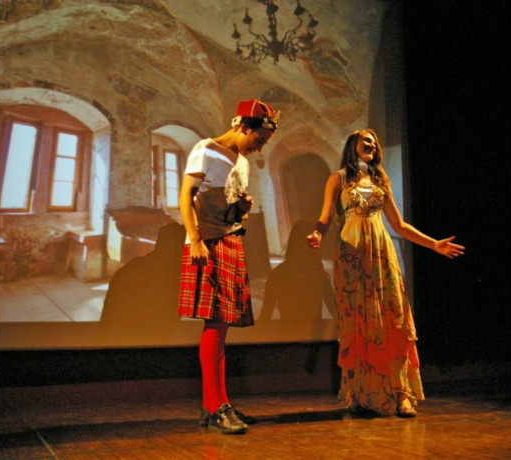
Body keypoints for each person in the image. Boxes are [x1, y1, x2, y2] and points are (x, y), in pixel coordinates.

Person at [306, 128, 464, 418]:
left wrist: (434, 244)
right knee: (358, 322)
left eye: (375, 142)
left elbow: (399, 225)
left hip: (381, 253)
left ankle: (401, 394)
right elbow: (326, 216)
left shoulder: (380, 180)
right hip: (351, 254)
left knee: (393, 318)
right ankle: (360, 393)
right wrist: (317, 233)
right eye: (366, 140)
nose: (372, 144)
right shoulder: (338, 179)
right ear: (353, 145)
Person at [178, 99, 279, 434]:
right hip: (207, 242)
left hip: (231, 239)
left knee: (221, 329)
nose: (259, 147)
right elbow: (185, 195)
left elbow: (230, 205)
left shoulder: (243, 163)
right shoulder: (206, 149)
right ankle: (216, 406)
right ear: (243, 127)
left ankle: (215, 405)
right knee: (215, 326)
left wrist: (243, 207)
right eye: (259, 140)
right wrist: (195, 240)